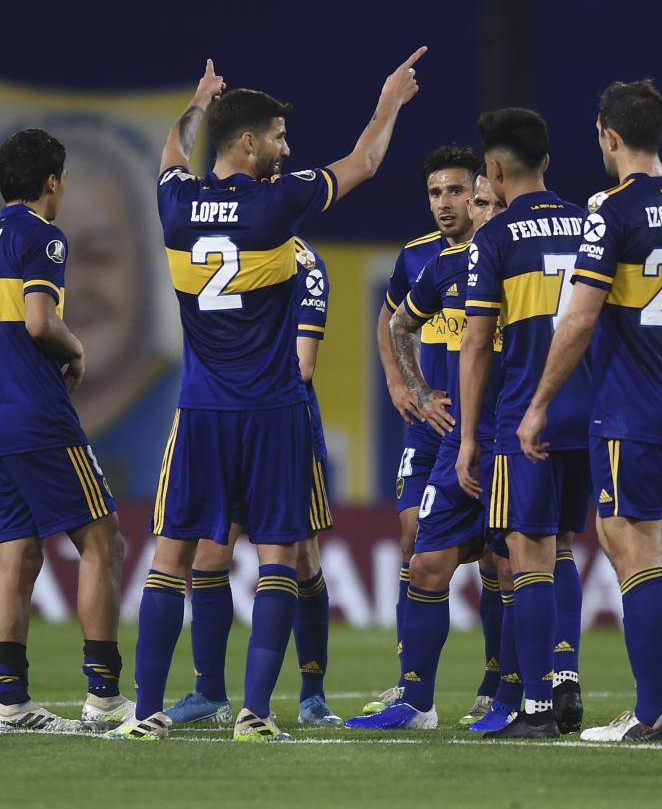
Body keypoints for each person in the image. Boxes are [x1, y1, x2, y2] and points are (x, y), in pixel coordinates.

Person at [111, 50, 425, 743]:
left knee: (171, 556)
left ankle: (144, 715)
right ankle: (254, 715)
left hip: (199, 411)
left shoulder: (173, 202)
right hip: (275, 410)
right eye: (279, 136)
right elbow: (363, 163)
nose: (288, 148)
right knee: (278, 557)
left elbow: (170, 152)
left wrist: (196, 102)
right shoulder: (277, 202)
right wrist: (389, 102)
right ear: (247, 142)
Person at [519, 80, 662, 742]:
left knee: (629, 542)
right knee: (639, 543)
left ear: (608, 136)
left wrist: (539, 404)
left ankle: (653, 710)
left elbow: (579, 319)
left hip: (629, 410)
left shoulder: (611, 211)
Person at [0, 128, 130, 732]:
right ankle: (104, 696)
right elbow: (38, 322)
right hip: (39, 415)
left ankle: (8, 703)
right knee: (103, 541)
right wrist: (75, 345)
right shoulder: (42, 236)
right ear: (53, 182)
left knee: (17, 557)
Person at [347, 171, 506, 732]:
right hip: (434, 425)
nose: (446, 203)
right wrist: (409, 388)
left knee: (499, 557)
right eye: (435, 193)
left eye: (459, 193)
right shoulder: (422, 259)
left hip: (494, 429)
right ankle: (411, 682)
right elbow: (392, 322)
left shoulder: (507, 254)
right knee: (415, 540)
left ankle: (498, 684)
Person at [162, 236, 342, 727]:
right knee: (210, 552)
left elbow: (303, 364)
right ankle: (209, 691)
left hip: (281, 425)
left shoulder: (302, 259)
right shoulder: (230, 245)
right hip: (228, 421)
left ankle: (312, 693)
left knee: (300, 553)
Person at [455, 108, 592, 738]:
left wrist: (467, 438)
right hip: (589, 415)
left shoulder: (496, 237)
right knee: (563, 548)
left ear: (496, 169)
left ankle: (536, 706)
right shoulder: (594, 223)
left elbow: (478, 344)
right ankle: (565, 677)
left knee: (527, 557)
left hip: (525, 420)